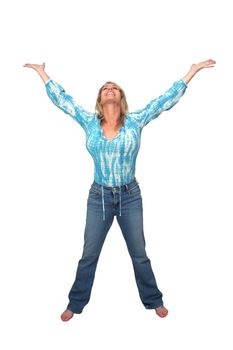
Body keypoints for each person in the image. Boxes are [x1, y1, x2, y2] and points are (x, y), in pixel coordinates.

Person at [23, 59, 216, 321]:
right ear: (100, 99)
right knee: (89, 254)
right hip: (99, 198)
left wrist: (192, 71)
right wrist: (41, 72)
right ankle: (75, 303)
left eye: (114, 87)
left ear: (121, 97)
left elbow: (164, 101)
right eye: (105, 88)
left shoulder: (135, 121)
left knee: (139, 254)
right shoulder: (90, 122)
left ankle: (154, 300)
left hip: (129, 197)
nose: (109, 88)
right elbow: (63, 100)